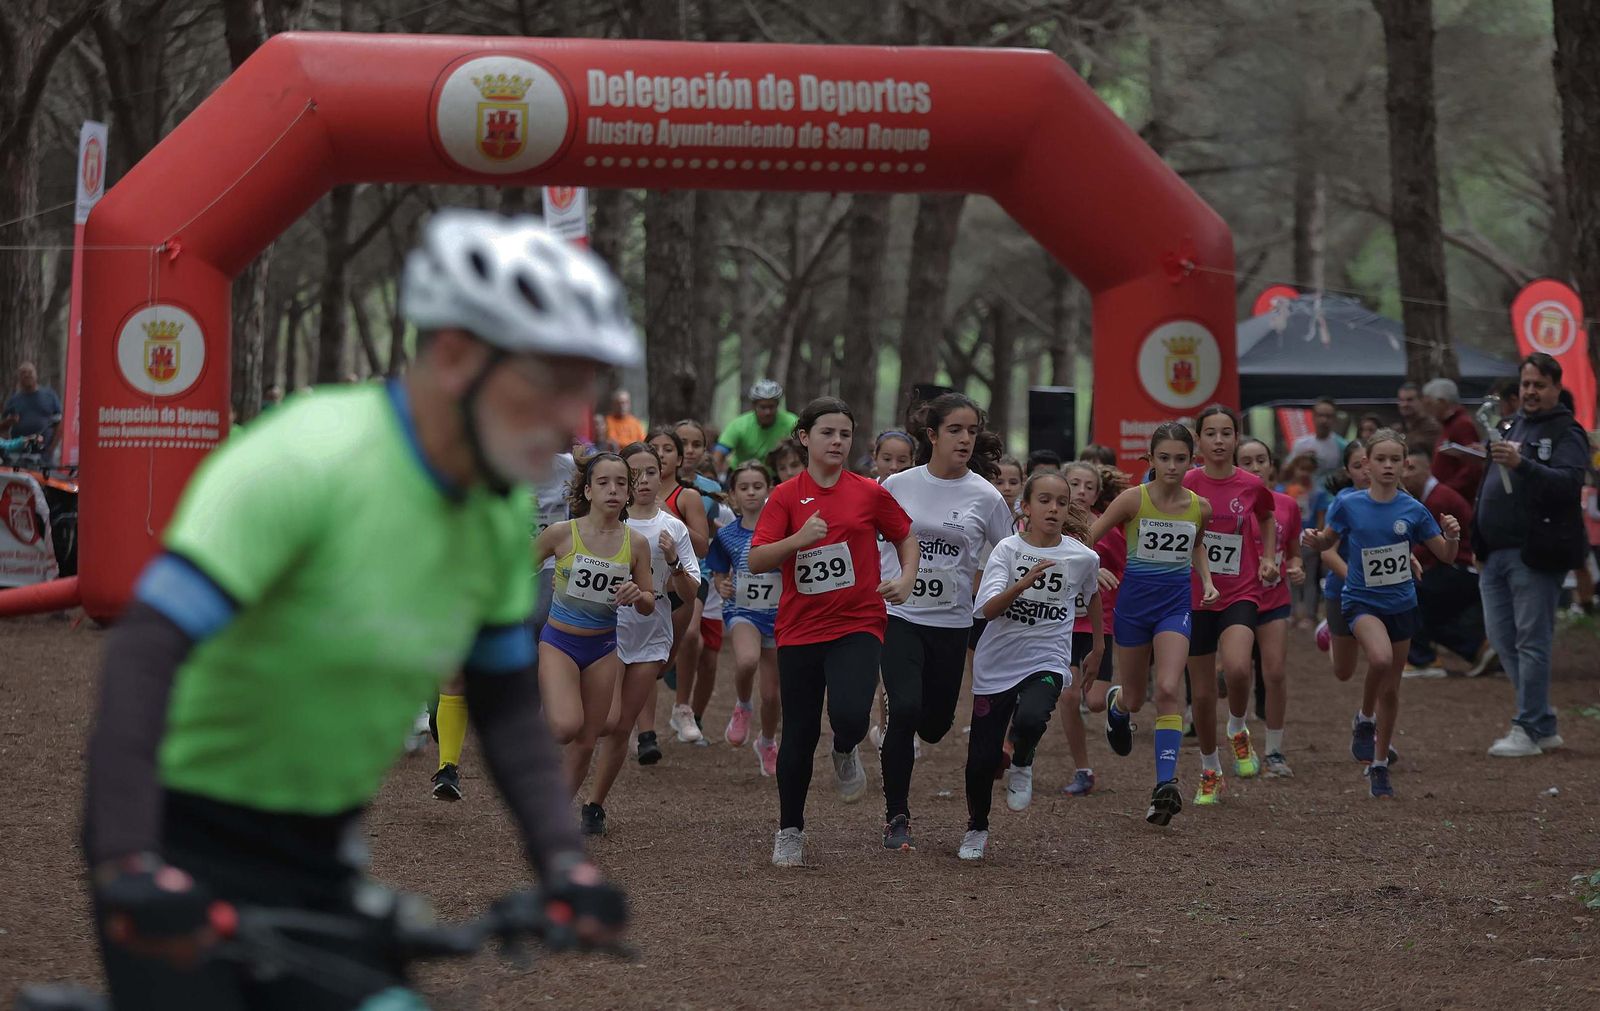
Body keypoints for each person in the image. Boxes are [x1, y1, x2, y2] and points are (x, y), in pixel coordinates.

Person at [80, 211, 630, 1009]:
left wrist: (563, 860)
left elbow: (507, 705)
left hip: (319, 844)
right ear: (453, 356)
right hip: (173, 834)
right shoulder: (305, 461)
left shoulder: (485, 514)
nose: (568, 418)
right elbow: (145, 653)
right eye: (550, 381)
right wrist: (128, 859)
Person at [749, 396, 917, 867]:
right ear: (805, 438)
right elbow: (757, 558)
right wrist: (798, 540)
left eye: (845, 434)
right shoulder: (784, 496)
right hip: (800, 628)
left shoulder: (868, 492)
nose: (837, 441)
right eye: (827, 433)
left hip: (858, 621)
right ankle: (790, 830)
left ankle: (845, 749)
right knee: (799, 732)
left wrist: (905, 577)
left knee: (849, 713)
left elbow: (905, 534)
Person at [877, 393, 1015, 852]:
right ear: (932, 435)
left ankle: (911, 721)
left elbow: (1009, 553)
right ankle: (897, 815)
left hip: (953, 623)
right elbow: (874, 540)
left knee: (935, 725)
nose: (964, 439)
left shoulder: (986, 495)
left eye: (972, 431)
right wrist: (884, 582)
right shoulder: (898, 486)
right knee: (906, 710)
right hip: (901, 615)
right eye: (955, 430)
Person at [1304, 429, 1460, 798]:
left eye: (1395, 460)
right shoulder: (1349, 503)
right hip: (1361, 601)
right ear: (1366, 465)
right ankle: (1364, 717)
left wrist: (1452, 535)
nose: (1388, 466)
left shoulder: (1413, 509)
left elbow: (1446, 555)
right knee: (1379, 658)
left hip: (1401, 605)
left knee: (1391, 688)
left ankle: (1378, 764)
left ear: (1404, 465)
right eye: (1380, 460)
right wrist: (1314, 540)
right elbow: (1329, 539)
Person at [959, 471, 1100, 861]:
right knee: (980, 760)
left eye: (1061, 502)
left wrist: (1100, 646)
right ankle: (977, 827)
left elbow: (1092, 594)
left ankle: (1022, 760)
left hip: (1048, 656)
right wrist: (1022, 584)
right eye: (1044, 500)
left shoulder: (1082, 556)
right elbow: (987, 610)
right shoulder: (1006, 550)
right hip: (998, 661)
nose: (1053, 509)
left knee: (1033, 716)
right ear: (1026, 507)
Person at [431, 448, 576, 801]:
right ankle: (447, 767)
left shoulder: (572, 468)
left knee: (533, 660)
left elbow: (597, 504)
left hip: (543, 576)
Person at [1092, 423, 1217, 827]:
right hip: (1133, 608)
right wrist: (1091, 571)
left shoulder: (1200, 506)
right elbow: (1087, 538)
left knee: (1167, 687)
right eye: (1164, 458)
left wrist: (1208, 581)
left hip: (1175, 606)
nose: (1173, 466)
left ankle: (1165, 785)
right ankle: (1117, 705)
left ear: (1191, 461)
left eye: (1181, 459)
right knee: (1135, 697)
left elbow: (1196, 543)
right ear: (1150, 460)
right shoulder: (1132, 500)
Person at [1473, 353, 1590, 758]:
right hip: (1495, 554)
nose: (1530, 392)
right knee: (1504, 641)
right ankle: (1543, 723)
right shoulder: (1512, 425)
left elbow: (1569, 482)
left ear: (1556, 387)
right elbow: (1488, 486)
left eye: (1539, 384)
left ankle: (1527, 726)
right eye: (1525, 384)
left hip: (1535, 553)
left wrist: (1522, 464)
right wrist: (1478, 540)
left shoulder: (1566, 430)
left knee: (1531, 641)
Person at [579, 443, 698, 836]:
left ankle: (594, 805)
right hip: (607, 630)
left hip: (651, 631)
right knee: (603, 720)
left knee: (622, 724)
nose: (644, 480)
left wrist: (675, 561)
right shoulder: (604, 524)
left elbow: (690, 591)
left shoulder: (674, 528)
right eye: (636, 474)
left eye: (651, 472)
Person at [535, 453, 657, 795]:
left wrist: (638, 594)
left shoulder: (636, 544)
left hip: (603, 648)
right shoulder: (561, 534)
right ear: (587, 491)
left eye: (621, 483)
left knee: (589, 740)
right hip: (559, 642)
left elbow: (649, 603)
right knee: (563, 727)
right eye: (603, 482)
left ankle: (554, 824)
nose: (613, 490)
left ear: (629, 492)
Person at [1182, 405, 1278, 806]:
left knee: (1238, 668)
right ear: (1198, 441)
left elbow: (1267, 515)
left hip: (1240, 590)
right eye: (1211, 434)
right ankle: (1210, 769)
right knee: (1202, 696)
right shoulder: (1187, 480)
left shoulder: (1251, 483)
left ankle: (1238, 727)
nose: (1219, 441)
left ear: (1236, 439)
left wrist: (1269, 556)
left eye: (1226, 433)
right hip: (1191, 595)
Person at [1056, 461, 1127, 797]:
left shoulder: (1111, 528)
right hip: (1064, 622)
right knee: (1068, 696)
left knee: (1095, 702)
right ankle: (1083, 769)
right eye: (1075, 484)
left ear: (1099, 494)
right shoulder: (1052, 526)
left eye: (1089, 486)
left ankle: (1115, 701)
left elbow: (1128, 568)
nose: (1081, 491)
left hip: (1103, 622)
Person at [708, 461, 784, 774]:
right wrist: (721, 584)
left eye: (757, 486)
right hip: (742, 611)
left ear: (769, 490)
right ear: (733, 495)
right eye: (744, 487)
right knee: (746, 661)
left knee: (772, 695)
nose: (751, 493)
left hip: (779, 617)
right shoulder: (727, 535)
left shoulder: (782, 531)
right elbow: (718, 572)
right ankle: (742, 705)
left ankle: (767, 741)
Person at [1235, 438, 1303, 776]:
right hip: (1236, 600)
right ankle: (1239, 736)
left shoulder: (1287, 505)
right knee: (1238, 675)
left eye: (1261, 460)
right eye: (1246, 461)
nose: (1255, 467)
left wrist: (1296, 566)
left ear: (1272, 465)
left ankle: (1275, 751)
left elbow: (1293, 549)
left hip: (1274, 600)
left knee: (1274, 673)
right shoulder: (1230, 506)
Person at [1400, 445, 1492, 679]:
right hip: (1457, 568)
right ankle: (1479, 649)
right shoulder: (1431, 497)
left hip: (1462, 569)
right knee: (1428, 614)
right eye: (1404, 469)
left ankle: (1423, 660)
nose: (1405, 474)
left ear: (1427, 470)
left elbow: (1429, 548)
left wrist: (1398, 559)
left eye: (1411, 468)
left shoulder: (1438, 500)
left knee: (1411, 595)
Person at [645, 427, 711, 748]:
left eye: (668, 449)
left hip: (684, 584)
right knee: (644, 660)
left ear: (679, 458)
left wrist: (666, 514)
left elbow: (701, 547)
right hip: (645, 586)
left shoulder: (688, 497)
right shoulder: (629, 496)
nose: (660, 454)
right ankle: (644, 732)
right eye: (653, 448)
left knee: (683, 645)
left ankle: (682, 707)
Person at [1421, 377, 1487, 502]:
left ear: (1442, 402)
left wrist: (1446, 490)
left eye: (1429, 404)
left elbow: (1472, 466)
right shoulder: (1449, 426)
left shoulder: (1462, 425)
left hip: (1455, 498)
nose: (1427, 410)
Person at [714, 379, 798, 472]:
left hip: (776, 476)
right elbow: (720, 453)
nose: (767, 412)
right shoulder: (739, 425)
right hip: (741, 474)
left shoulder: (791, 421)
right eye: (763, 407)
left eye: (771, 407)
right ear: (754, 406)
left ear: (778, 405)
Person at [2, 362, 63, 455]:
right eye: (23, 373)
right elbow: (3, 427)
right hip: (18, 454)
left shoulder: (49, 396)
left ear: (36, 374)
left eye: (30, 372)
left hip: (44, 453)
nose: (27, 375)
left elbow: (59, 423)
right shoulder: (13, 400)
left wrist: (52, 448)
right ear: (19, 378)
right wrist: (8, 422)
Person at [1288, 397, 1346, 482]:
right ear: (1313, 417)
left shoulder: (1342, 446)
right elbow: (1287, 473)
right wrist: (1301, 458)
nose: (1324, 420)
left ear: (1334, 418)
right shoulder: (1301, 444)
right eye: (1320, 415)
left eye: (1328, 416)